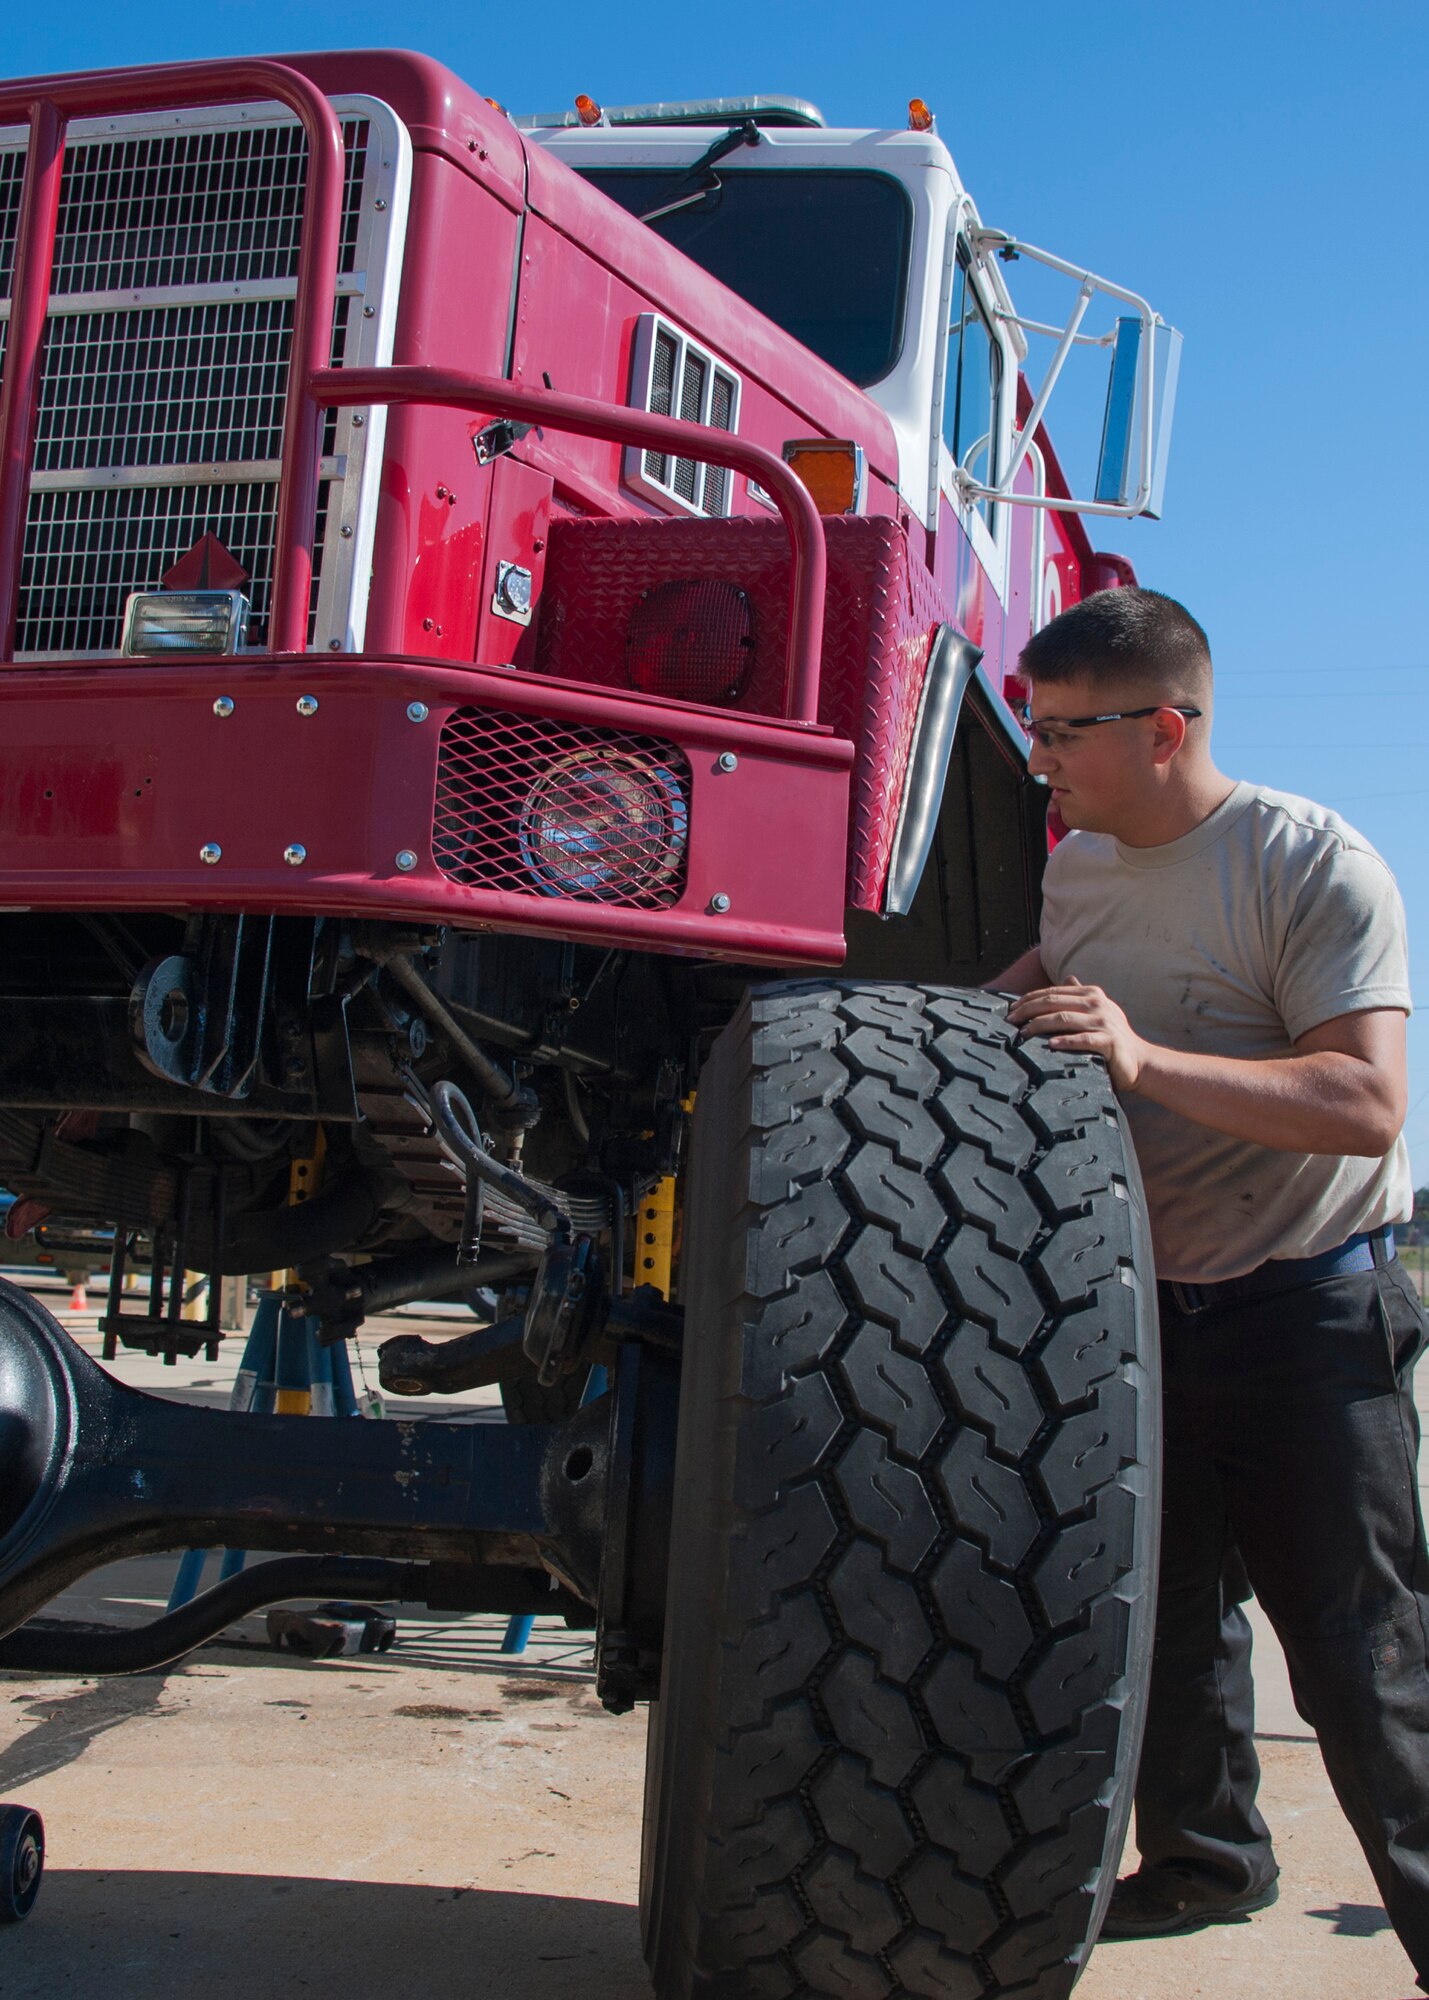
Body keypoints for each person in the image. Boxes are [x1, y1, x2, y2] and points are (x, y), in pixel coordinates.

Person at [991, 587, 1429, 1987]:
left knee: (1362, 1660)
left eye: (1063, 730)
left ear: (1165, 725)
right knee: (1158, 1618)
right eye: (1031, 723)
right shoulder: (1081, 861)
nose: (1038, 756)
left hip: (1307, 1309)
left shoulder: (1312, 864)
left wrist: (1138, 1061)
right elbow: (1065, 977)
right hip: (1140, 1309)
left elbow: (1364, 1102)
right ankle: (1202, 1862)